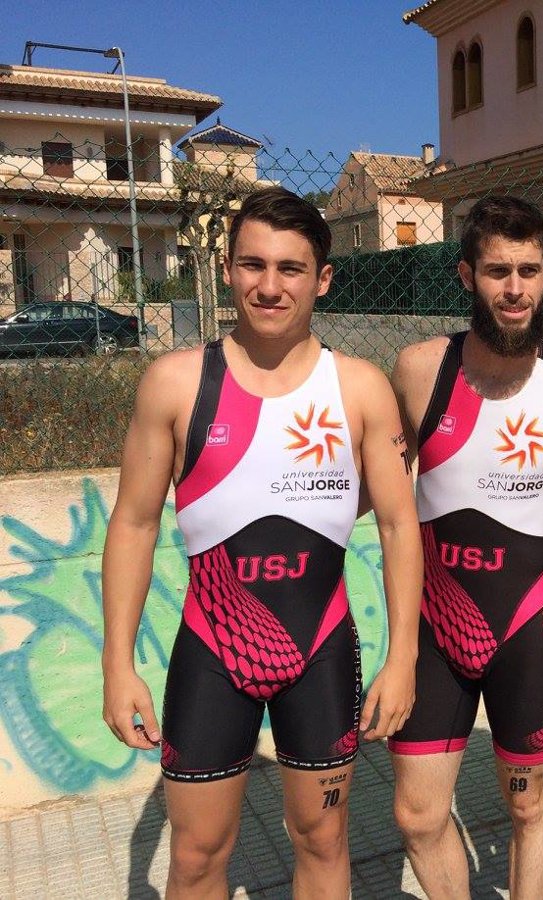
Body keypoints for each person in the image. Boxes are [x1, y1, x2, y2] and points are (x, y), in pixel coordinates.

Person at [101, 186, 423, 898]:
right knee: (195, 857)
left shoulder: (360, 388)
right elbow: (133, 524)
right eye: (253, 265)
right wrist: (116, 664)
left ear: (323, 279)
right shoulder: (175, 383)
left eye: (290, 268)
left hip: (322, 650)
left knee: (323, 841)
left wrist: (403, 657)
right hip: (211, 651)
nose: (270, 286)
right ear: (227, 269)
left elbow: (401, 526)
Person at [388, 195, 543, 899]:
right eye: (496, 271)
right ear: (466, 276)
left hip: (526, 631)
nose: (514, 289)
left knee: (528, 806)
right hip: (435, 629)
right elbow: (380, 492)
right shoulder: (419, 371)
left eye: (528, 271)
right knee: (418, 815)